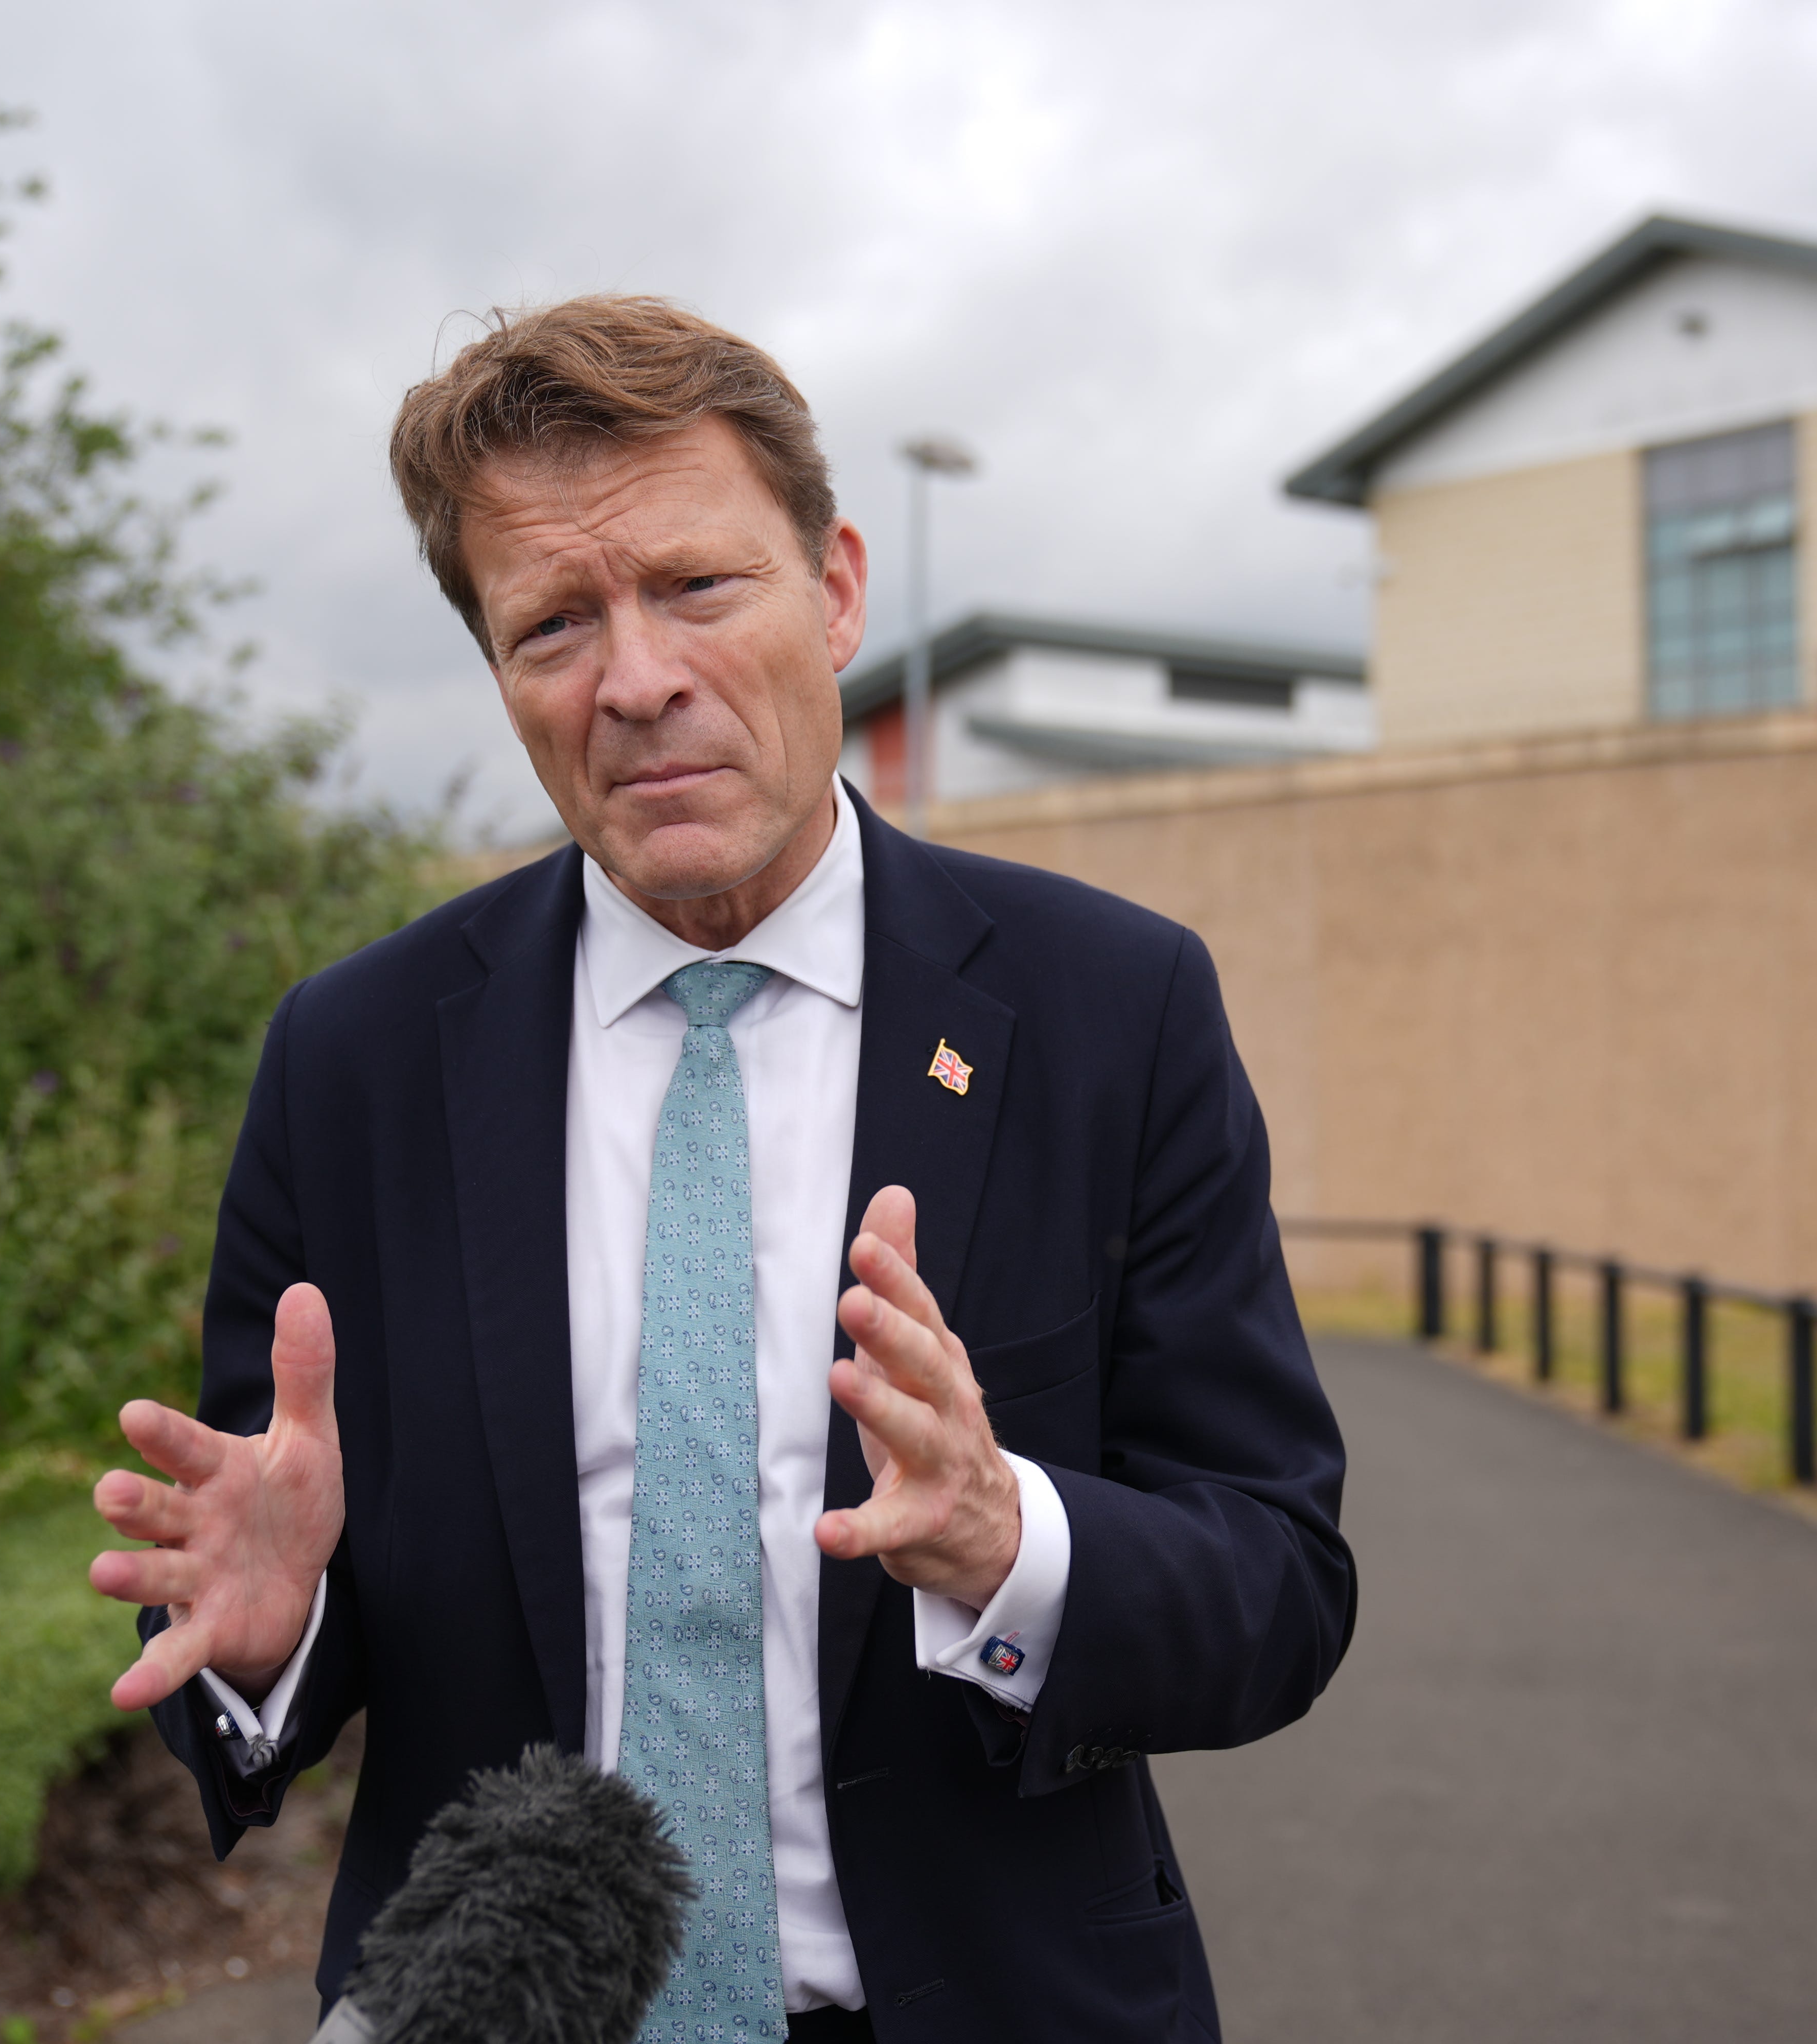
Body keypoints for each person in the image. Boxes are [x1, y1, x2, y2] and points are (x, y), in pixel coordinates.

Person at [84, 296, 1354, 2044]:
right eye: (553, 623)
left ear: (835, 591)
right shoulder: (356, 1061)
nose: (636, 679)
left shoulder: (1109, 1010)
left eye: (695, 586)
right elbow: (265, 1592)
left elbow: (1277, 1578)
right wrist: (263, 1639)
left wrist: (1013, 1545)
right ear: (501, 674)